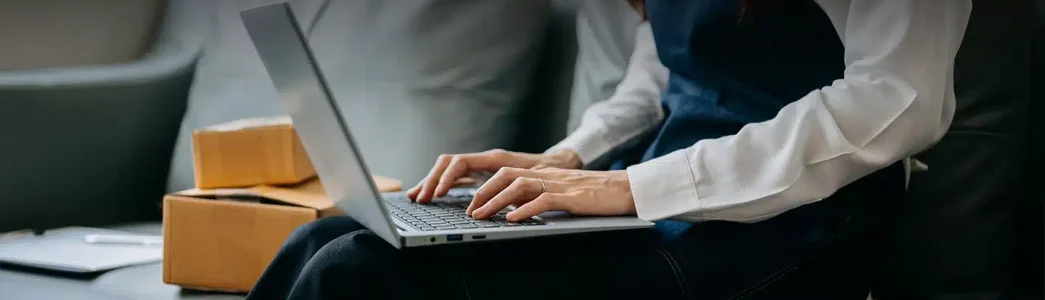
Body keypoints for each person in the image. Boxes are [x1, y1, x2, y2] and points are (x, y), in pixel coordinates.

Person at [245, 0, 971, 299]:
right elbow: (658, 75)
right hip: (657, 189)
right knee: (333, 234)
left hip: (798, 224)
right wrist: (567, 159)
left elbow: (899, 99)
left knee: (355, 272)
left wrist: (629, 188)